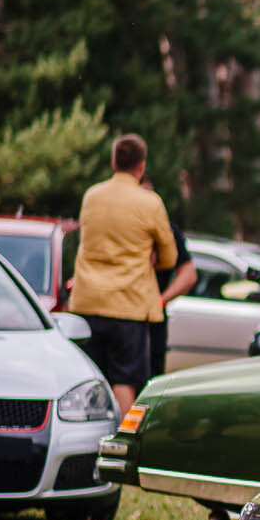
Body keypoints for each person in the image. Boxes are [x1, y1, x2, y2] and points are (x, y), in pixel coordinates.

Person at [69, 135, 176, 413]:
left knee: (89, 379)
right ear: (141, 166)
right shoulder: (150, 203)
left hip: (87, 302)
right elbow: (169, 258)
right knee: (125, 381)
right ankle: (121, 436)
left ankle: (89, 434)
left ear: (113, 162)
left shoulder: (91, 196)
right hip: (128, 306)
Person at [142, 179, 195, 381]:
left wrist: (161, 300)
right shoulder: (121, 229)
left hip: (152, 317)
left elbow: (189, 274)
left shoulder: (167, 231)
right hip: (124, 314)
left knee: (149, 378)